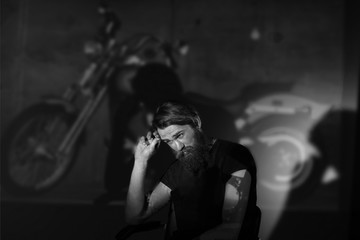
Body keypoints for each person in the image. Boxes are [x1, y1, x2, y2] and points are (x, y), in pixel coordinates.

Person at [125, 101, 261, 240]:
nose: (177, 147)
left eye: (179, 135)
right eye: (168, 141)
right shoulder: (179, 168)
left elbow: (230, 231)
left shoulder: (233, 155)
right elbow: (135, 217)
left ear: (196, 123)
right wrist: (140, 161)